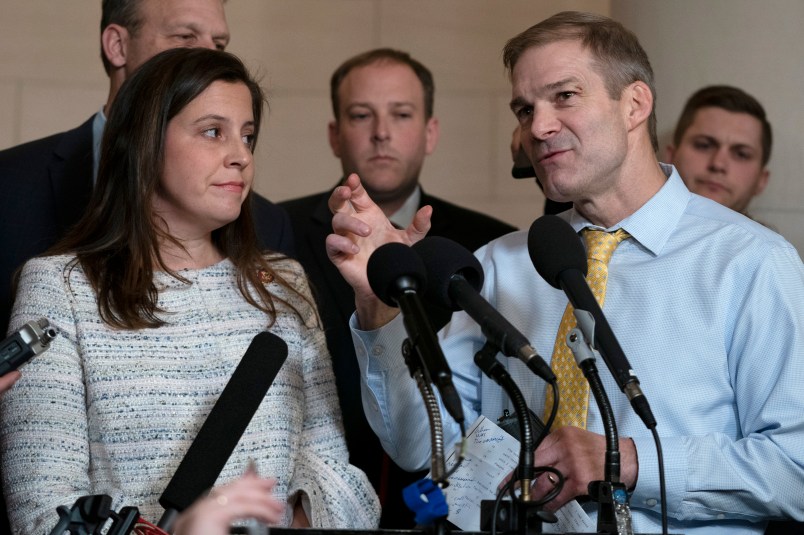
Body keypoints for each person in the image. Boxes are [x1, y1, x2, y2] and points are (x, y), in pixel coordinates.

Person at [325, 11, 804, 535]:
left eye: (565, 97)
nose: (538, 127)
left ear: (635, 104)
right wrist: (379, 304)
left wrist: (626, 461)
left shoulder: (750, 261)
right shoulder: (499, 265)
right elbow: (419, 442)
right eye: (524, 109)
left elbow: (794, 470)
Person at [0, 47, 379, 534]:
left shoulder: (284, 284)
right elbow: (44, 515)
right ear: (145, 143)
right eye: (212, 131)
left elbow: (332, 473)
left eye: (247, 136)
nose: (240, 155)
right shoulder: (62, 287)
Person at [280, 47, 515, 528]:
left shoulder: (490, 244)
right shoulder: (275, 231)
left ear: (430, 133)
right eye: (361, 115)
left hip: (450, 504)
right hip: (313, 502)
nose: (381, 132)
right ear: (334, 134)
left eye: (401, 114)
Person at [0, 0, 295, 336]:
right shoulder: (9, 185)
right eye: (185, 37)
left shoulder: (270, 225)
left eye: (219, 44)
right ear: (117, 45)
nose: (207, 56)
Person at [665, 85, 772, 216]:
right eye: (703, 145)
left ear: (761, 180)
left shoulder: (768, 238)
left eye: (741, 154)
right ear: (671, 157)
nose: (718, 164)